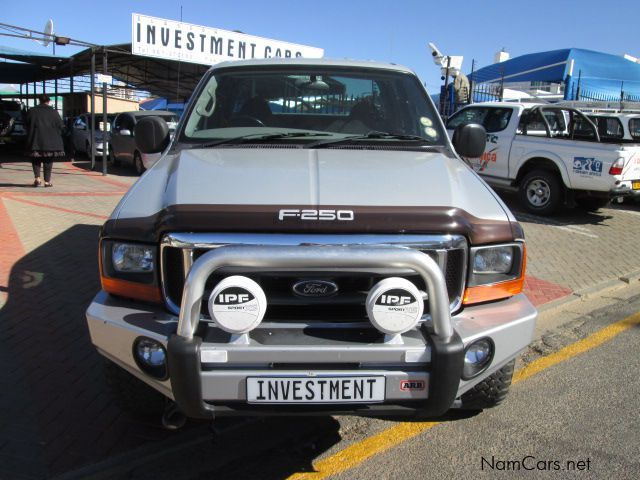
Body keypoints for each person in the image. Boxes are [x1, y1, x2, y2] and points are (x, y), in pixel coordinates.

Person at [25, 94, 64, 187]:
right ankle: (47, 181)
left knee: (35, 160)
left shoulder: (32, 111)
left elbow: (26, 123)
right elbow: (60, 125)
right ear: (48, 101)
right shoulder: (53, 112)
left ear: (39, 100)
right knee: (48, 161)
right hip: (50, 141)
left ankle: (37, 179)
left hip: (35, 140)